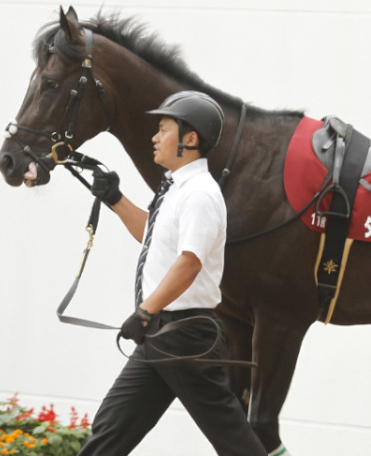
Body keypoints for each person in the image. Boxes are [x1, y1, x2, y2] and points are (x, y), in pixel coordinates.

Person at [78, 91, 267, 456]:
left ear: (190, 139)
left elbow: (189, 261)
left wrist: (145, 310)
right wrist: (115, 199)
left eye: (163, 129)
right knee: (109, 430)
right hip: (160, 335)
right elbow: (152, 235)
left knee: (234, 441)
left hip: (184, 338)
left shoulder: (200, 194)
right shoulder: (177, 190)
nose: (154, 136)